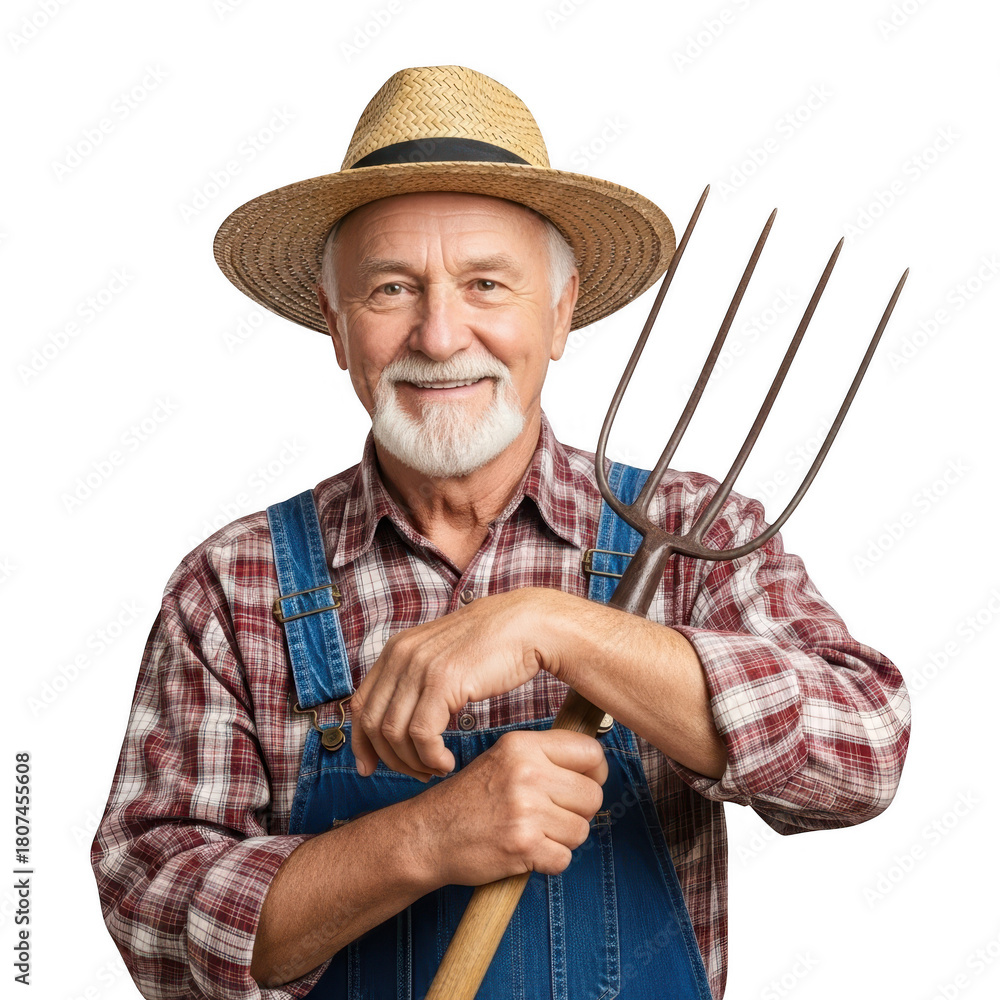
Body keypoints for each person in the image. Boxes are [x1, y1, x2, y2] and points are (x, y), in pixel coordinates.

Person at [92, 65, 910, 1000]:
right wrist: (426, 838)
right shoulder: (233, 589)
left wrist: (555, 628)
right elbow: (153, 916)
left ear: (561, 313)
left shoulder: (690, 535)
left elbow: (867, 750)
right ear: (335, 321)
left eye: (487, 283)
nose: (440, 335)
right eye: (392, 288)